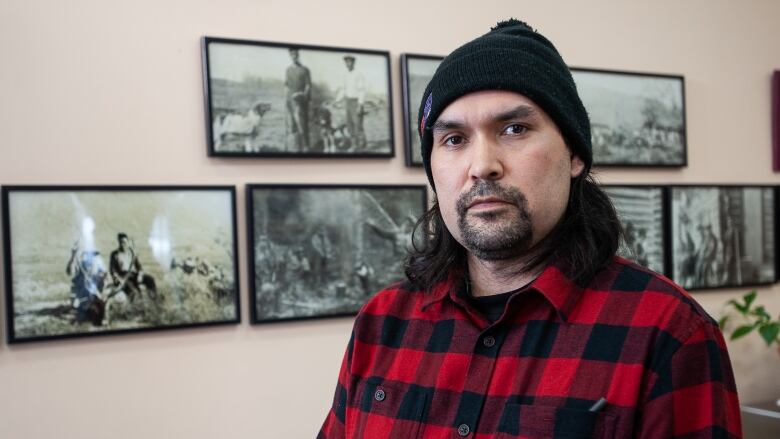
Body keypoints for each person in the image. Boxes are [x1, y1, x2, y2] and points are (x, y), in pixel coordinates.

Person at [318, 20, 741, 439]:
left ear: (575, 154)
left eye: (514, 129)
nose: (482, 164)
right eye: (454, 139)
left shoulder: (667, 334)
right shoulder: (382, 323)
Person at [66, 242, 107, 325]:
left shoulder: (98, 263)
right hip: (82, 295)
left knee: (103, 303)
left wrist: (103, 280)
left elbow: (105, 275)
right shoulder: (81, 264)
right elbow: (69, 272)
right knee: (77, 307)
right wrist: (73, 255)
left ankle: (102, 317)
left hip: (95, 293)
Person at [109, 233, 157, 301]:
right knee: (134, 292)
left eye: (124, 242)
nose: (123, 244)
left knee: (150, 280)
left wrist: (140, 275)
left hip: (134, 275)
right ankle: (134, 307)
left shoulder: (131, 252)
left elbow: (139, 266)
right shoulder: (115, 254)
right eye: (121, 242)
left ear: (127, 242)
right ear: (118, 242)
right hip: (123, 278)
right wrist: (118, 279)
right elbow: (112, 270)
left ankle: (154, 299)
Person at [335, 54, 366, 150]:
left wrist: (360, 104)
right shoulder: (344, 74)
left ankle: (362, 145)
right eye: (346, 61)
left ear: (353, 62)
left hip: (356, 101)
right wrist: (336, 100)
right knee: (349, 124)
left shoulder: (359, 74)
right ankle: (354, 145)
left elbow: (362, 90)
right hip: (348, 102)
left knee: (357, 124)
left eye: (350, 61)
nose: (348, 63)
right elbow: (343, 89)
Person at [285, 47, 311, 151]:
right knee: (292, 125)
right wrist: (286, 99)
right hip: (290, 101)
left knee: (302, 124)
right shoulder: (288, 70)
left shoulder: (304, 70)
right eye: (292, 55)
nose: (294, 56)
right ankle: (295, 148)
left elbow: (308, 85)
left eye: (295, 54)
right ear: (290, 56)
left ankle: (306, 147)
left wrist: (303, 95)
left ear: (298, 55)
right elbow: (286, 86)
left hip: (301, 101)